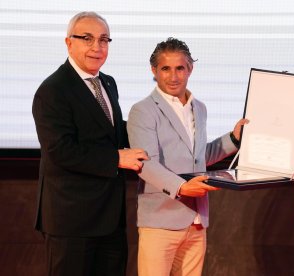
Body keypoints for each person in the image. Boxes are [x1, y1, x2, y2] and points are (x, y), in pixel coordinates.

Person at [32, 11, 148, 276]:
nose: (97, 47)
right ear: (68, 42)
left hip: (110, 220)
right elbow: (59, 151)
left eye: (104, 39)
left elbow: (116, 135)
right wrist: (117, 159)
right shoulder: (53, 90)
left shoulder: (108, 83)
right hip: (71, 223)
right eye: (87, 38)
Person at [127, 37, 247, 276]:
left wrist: (234, 138)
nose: (173, 76)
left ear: (190, 69)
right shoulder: (142, 110)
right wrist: (182, 187)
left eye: (180, 68)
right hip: (160, 221)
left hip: (196, 220)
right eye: (166, 68)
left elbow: (199, 158)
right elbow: (145, 163)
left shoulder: (199, 108)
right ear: (154, 70)